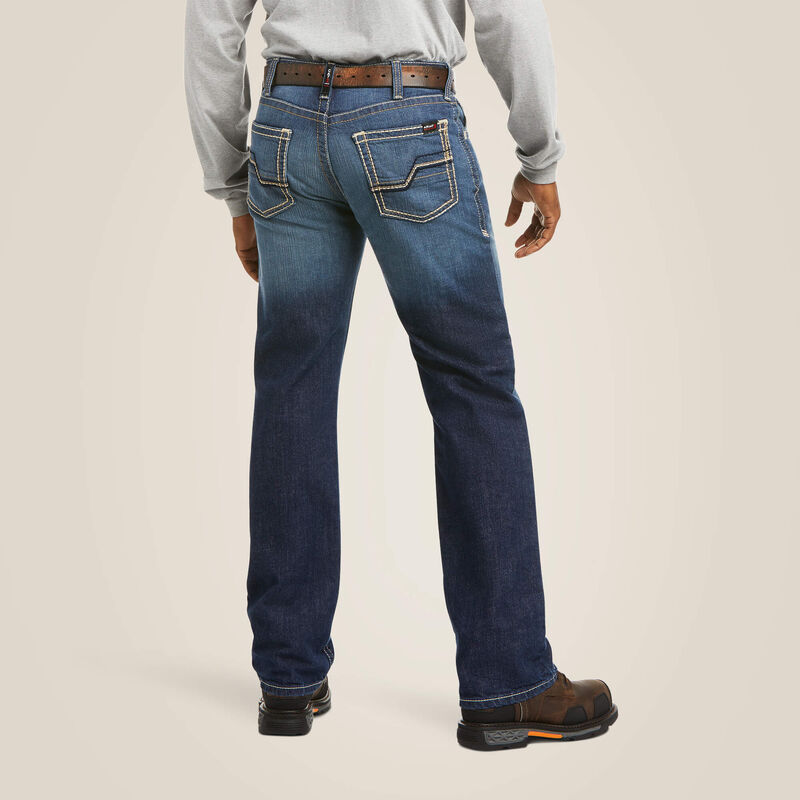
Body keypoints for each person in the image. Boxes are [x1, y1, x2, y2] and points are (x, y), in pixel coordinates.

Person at [184, 0, 617, 751]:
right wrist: (539, 156)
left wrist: (231, 184)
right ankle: (508, 684)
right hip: (405, 121)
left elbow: (212, 25)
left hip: (286, 133)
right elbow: (508, 14)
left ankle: (287, 677)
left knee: (292, 393)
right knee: (473, 392)